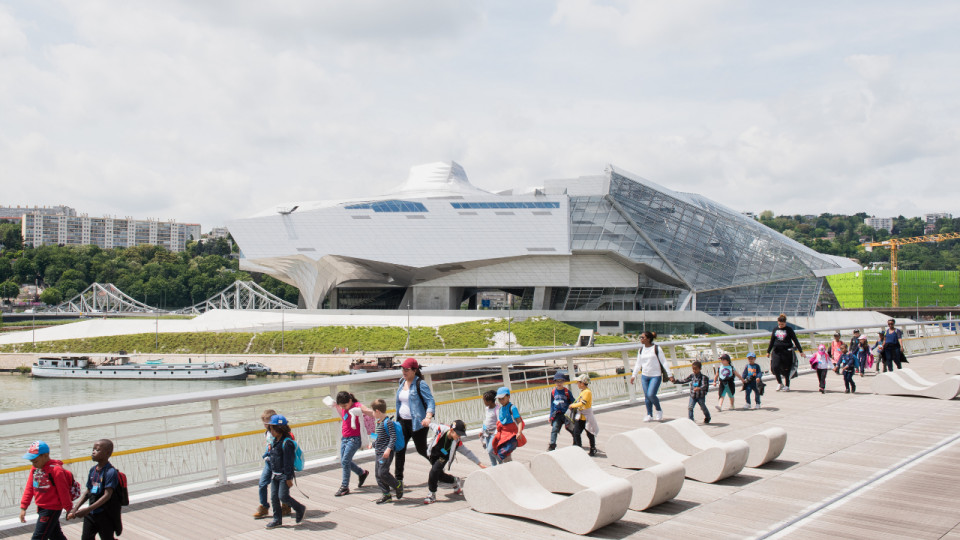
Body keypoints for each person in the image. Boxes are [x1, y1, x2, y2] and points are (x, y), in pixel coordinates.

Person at [394, 357, 436, 498]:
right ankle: (398, 481)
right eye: (402, 369)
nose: (404, 372)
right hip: (402, 422)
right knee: (399, 449)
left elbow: (430, 401)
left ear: (414, 370)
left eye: (407, 369)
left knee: (422, 449)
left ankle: (437, 467)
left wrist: (428, 417)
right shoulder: (401, 382)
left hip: (418, 423)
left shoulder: (420, 384)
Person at [18, 440, 73, 540]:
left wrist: (68, 508)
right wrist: (23, 507)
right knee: (55, 535)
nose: (33, 464)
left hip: (51, 509)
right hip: (41, 507)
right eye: (32, 462)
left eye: (35, 461)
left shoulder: (56, 470)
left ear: (45, 455)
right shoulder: (35, 469)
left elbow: (63, 491)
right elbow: (29, 487)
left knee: (38, 537)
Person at [423, 420, 486, 504]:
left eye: (461, 434)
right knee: (439, 475)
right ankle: (455, 480)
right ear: (452, 430)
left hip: (443, 457)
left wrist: (479, 463)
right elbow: (432, 425)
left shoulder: (457, 442)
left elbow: (467, 452)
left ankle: (431, 494)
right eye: (458, 434)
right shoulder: (441, 429)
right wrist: (426, 423)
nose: (459, 436)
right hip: (433, 454)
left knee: (433, 472)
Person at [66, 439, 118, 540]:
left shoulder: (110, 472)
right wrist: (75, 508)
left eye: (97, 450)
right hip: (91, 514)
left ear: (107, 453)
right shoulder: (93, 470)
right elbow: (88, 491)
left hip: (105, 515)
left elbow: (107, 495)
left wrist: (87, 510)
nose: (93, 452)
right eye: (93, 449)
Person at [264, 415, 306, 529]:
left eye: (272, 429)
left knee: (283, 496)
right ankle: (277, 519)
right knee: (274, 497)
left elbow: (288, 461)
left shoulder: (287, 443)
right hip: (275, 474)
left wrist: (288, 478)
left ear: (279, 429)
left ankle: (299, 508)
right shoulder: (275, 441)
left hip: (284, 475)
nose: (270, 432)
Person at [629, 331, 675, 422]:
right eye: (640, 337)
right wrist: (633, 375)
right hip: (645, 376)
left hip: (655, 376)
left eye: (642, 337)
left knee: (651, 394)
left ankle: (658, 410)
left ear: (648, 339)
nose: (641, 339)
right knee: (646, 396)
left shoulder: (656, 348)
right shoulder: (641, 350)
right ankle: (649, 414)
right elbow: (638, 363)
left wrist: (670, 374)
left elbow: (664, 362)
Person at [334, 391, 372, 497]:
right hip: (345, 438)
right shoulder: (344, 407)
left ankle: (344, 486)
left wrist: (379, 414)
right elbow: (343, 417)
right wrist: (336, 406)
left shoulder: (356, 406)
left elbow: (367, 410)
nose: (344, 408)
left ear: (350, 400)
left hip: (354, 439)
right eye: (342, 406)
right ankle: (362, 473)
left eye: (345, 405)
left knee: (345, 461)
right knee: (344, 461)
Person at [254, 409, 289, 519]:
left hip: (279, 464)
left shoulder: (281, 434)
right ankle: (264, 506)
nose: (266, 425)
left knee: (280, 488)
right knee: (262, 483)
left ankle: (286, 505)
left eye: (267, 422)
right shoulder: (267, 433)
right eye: (264, 423)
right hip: (269, 462)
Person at [369, 399, 399, 504]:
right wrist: (372, 444)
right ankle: (386, 495)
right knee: (378, 474)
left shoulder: (388, 422)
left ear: (377, 411)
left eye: (373, 412)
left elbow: (393, 437)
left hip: (385, 453)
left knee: (382, 472)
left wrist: (388, 449)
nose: (372, 414)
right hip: (378, 452)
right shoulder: (378, 422)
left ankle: (397, 485)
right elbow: (377, 436)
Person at [767, 314, 803, 391]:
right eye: (779, 324)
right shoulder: (775, 329)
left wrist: (801, 351)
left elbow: (795, 340)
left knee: (786, 369)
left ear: (785, 323)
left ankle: (787, 385)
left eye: (782, 324)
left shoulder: (789, 330)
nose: (781, 326)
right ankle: (780, 383)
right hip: (776, 351)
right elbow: (772, 341)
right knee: (775, 366)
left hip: (787, 352)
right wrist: (768, 351)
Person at [491, 386, 525, 463]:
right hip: (504, 434)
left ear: (508, 396)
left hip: (512, 433)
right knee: (504, 453)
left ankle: (509, 467)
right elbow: (500, 422)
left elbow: (519, 421)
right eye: (499, 399)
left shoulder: (512, 408)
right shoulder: (500, 409)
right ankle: (509, 467)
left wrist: (519, 432)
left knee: (507, 449)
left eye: (503, 398)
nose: (501, 401)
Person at [569, 374, 599, 456]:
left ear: (582, 383)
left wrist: (573, 405)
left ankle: (592, 448)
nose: (577, 384)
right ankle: (579, 447)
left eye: (578, 382)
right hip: (581, 416)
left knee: (589, 432)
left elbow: (583, 403)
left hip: (586, 416)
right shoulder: (583, 391)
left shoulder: (587, 392)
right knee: (576, 432)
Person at [547, 371, 574, 451]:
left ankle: (576, 441)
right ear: (555, 382)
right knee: (554, 429)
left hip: (566, 414)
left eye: (561, 381)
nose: (559, 383)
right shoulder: (553, 392)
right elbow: (552, 404)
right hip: (557, 414)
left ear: (564, 382)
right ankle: (552, 445)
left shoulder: (567, 392)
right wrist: (550, 415)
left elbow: (573, 401)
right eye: (557, 381)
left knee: (570, 428)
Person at [478, 391, 499, 466]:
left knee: (491, 450)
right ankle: (494, 466)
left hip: (494, 433)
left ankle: (501, 461)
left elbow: (499, 422)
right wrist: (482, 431)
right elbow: (485, 421)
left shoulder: (497, 409)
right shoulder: (487, 409)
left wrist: (496, 433)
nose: (483, 402)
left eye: (484, 400)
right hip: (486, 433)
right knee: (489, 452)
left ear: (490, 401)